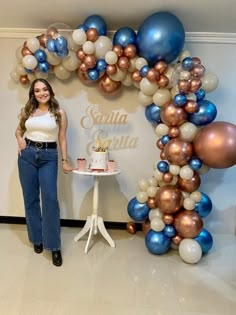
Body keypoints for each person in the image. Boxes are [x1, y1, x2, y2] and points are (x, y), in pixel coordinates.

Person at [15, 78, 73, 267]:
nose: (42, 93)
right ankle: (37, 239)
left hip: (49, 156)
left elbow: (62, 138)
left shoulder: (59, 113)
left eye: (45, 89)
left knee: (50, 199)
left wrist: (64, 160)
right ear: (33, 94)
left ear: (50, 91)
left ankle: (54, 245)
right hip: (27, 156)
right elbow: (18, 131)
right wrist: (20, 140)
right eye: (37, 90)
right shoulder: (27, 111)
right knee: (30, 199)